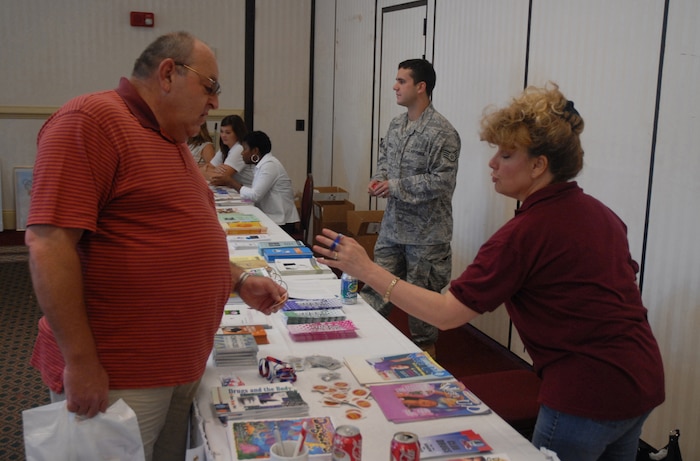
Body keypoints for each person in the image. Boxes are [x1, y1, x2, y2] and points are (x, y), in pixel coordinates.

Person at [314, 83, 665, 461]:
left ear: (538, 165)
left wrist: (366, 269)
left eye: (507, 154)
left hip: (584, 395)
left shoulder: (525, 233)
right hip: (641, 379)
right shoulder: (600, 214)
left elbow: (447, 314)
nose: (492, 163)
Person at [25, 31, 287, 461]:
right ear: (168, 73)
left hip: (176, 367)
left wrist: (238, 280)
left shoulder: (171, 140)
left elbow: (174, 239)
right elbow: (48, 245)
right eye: (210, 87)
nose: (214, 103)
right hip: (119, 374)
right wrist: (81, 362)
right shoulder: (90, 120)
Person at [228, 130, 300, 234]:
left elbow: (255, 195)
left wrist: (231, 182)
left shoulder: (269, 165)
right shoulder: (262, 164)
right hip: (272, 217)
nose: (242, 153)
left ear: (255, 151)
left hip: (281, 222)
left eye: (245, 149)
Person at [202, 114, 254, 187]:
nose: (223, 135)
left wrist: (206, 171)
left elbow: (220, 179)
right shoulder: (225, 148)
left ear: (237, 133)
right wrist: (214, 169)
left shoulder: (240, 149)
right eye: (222, 131)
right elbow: (209, 167)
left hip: (250, 191)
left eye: (228, 132)